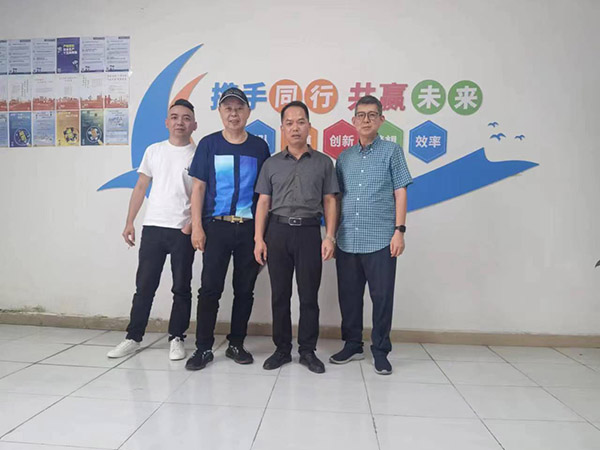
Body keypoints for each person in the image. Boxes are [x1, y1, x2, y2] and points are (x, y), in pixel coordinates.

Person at [185, 88, 271, 371]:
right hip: (216, 228)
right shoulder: (209, 144)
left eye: (239, 108)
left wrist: (262, 236)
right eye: (228, 109)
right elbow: (198, 188)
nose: (234, 114)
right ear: (220, 112)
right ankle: (203, 348)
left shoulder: (259, 148)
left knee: (244, 290)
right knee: (210, 289)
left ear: (248, 112)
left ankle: (236, 344)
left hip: (249, 230)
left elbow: (265, 195)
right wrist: (197, 227)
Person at [107, 99, 197, 360]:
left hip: (182, 229)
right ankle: (133, 337)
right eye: (175, 117)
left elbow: (202, 193)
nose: (180, 122)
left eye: (186, 118)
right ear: (167, 122)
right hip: (153, 227)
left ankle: (177, 337)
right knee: (144, 286)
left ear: (194, 124)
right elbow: (140, 187)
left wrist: (193, 224)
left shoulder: (198, 154)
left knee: (182, 287)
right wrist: (129, 221)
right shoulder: (154, 151)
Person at [254, 100, 339, 374]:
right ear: (282, 128)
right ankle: (281, 349)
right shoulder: (271, 164)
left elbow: (330, 201)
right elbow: (263, 203)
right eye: (289, 123)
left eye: (300, 122)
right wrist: (259, 239)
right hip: (277, 232)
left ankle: (307, 351)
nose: (295, 128)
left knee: (308, 295)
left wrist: (330, 237)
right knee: (280, 294)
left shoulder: (324, 163)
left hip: (309, 232)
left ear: (309, 126)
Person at [330, 95, 413, 375]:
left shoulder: (392, 151)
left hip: (381, 239)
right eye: (361, 115)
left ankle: (380, 351)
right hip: (348, 239)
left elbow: (400, 191)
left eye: (372, 115)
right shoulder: (344, 158)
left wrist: (399, 231)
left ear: (381, 120)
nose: (366, 120)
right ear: (354, 121)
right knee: (349, 297)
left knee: (382, 297)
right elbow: (337, 199)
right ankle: (353, 345)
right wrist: (332, 236)